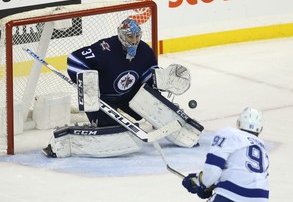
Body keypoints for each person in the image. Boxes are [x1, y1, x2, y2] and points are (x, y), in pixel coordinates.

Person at [42, 18, 203, 158]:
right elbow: (75, 59)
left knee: (154, 105)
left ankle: (184, 133)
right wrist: (87, 84)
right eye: (129, 36)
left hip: (130, 95)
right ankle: (64, 143)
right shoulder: (105, 48)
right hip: (102, 99)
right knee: (114, 131)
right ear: (121, 35)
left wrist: (161, 86)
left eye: (136, 36)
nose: (134, 41)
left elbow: (148, 79)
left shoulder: (145, 51)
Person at [182, 107, 269, 202]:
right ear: (260, 129)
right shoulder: (262, 150)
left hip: (231, 195)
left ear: (239, 122)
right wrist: (199, 177)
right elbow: (242, 173)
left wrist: (203, 184)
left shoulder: (230, 134)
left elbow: (213, 169)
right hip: (260, 198)